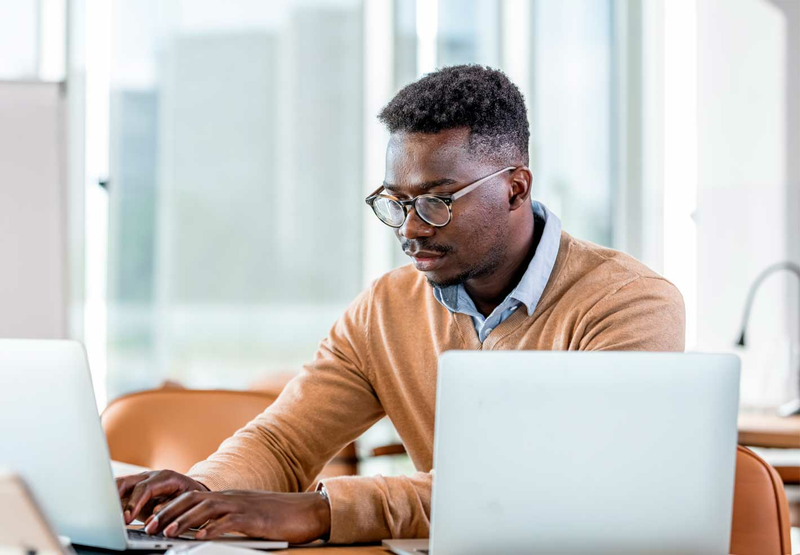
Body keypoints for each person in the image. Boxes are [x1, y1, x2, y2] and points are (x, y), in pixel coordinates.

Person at [116, 65, 685, 544]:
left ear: (515, 187)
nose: (410, 228)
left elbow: (556, 488)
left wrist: (322, 511)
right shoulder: (388, 307)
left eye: (437, 202)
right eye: (396, 201)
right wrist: (202, 494)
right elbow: (282, 442)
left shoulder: (630, 304)